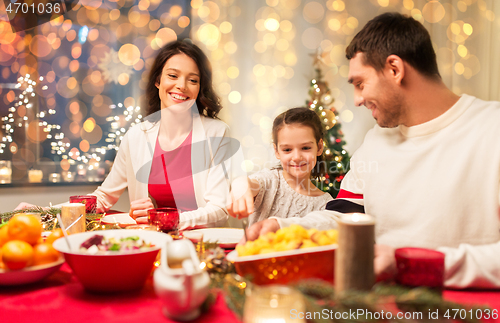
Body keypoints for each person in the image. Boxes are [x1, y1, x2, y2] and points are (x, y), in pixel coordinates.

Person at [244, 12, 500, 289]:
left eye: (360, 83)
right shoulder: (376, 141)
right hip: (376, 305)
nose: (357, 100)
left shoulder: (491, 129)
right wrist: (285, 228)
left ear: (394, 69)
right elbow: (343, 217)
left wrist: (411, 264)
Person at [17, 40, 242, 230]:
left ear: (199, 88)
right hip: (149, 243)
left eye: (192, 80)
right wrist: (44, 212)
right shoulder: (137, 135)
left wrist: (164, 220)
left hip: (203, 248)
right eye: (172, 75)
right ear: (158, 81)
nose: (181, 86)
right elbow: (104, 197)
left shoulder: (217, 133)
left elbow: (220, 209)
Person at [227, 107, 333, 227]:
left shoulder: (325, 204)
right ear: (277, 151)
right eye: (287, 150)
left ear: (319, 147)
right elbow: (250, 183)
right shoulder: (269, 180)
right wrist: (240, 184)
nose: (297, 157)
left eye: (305, 148)